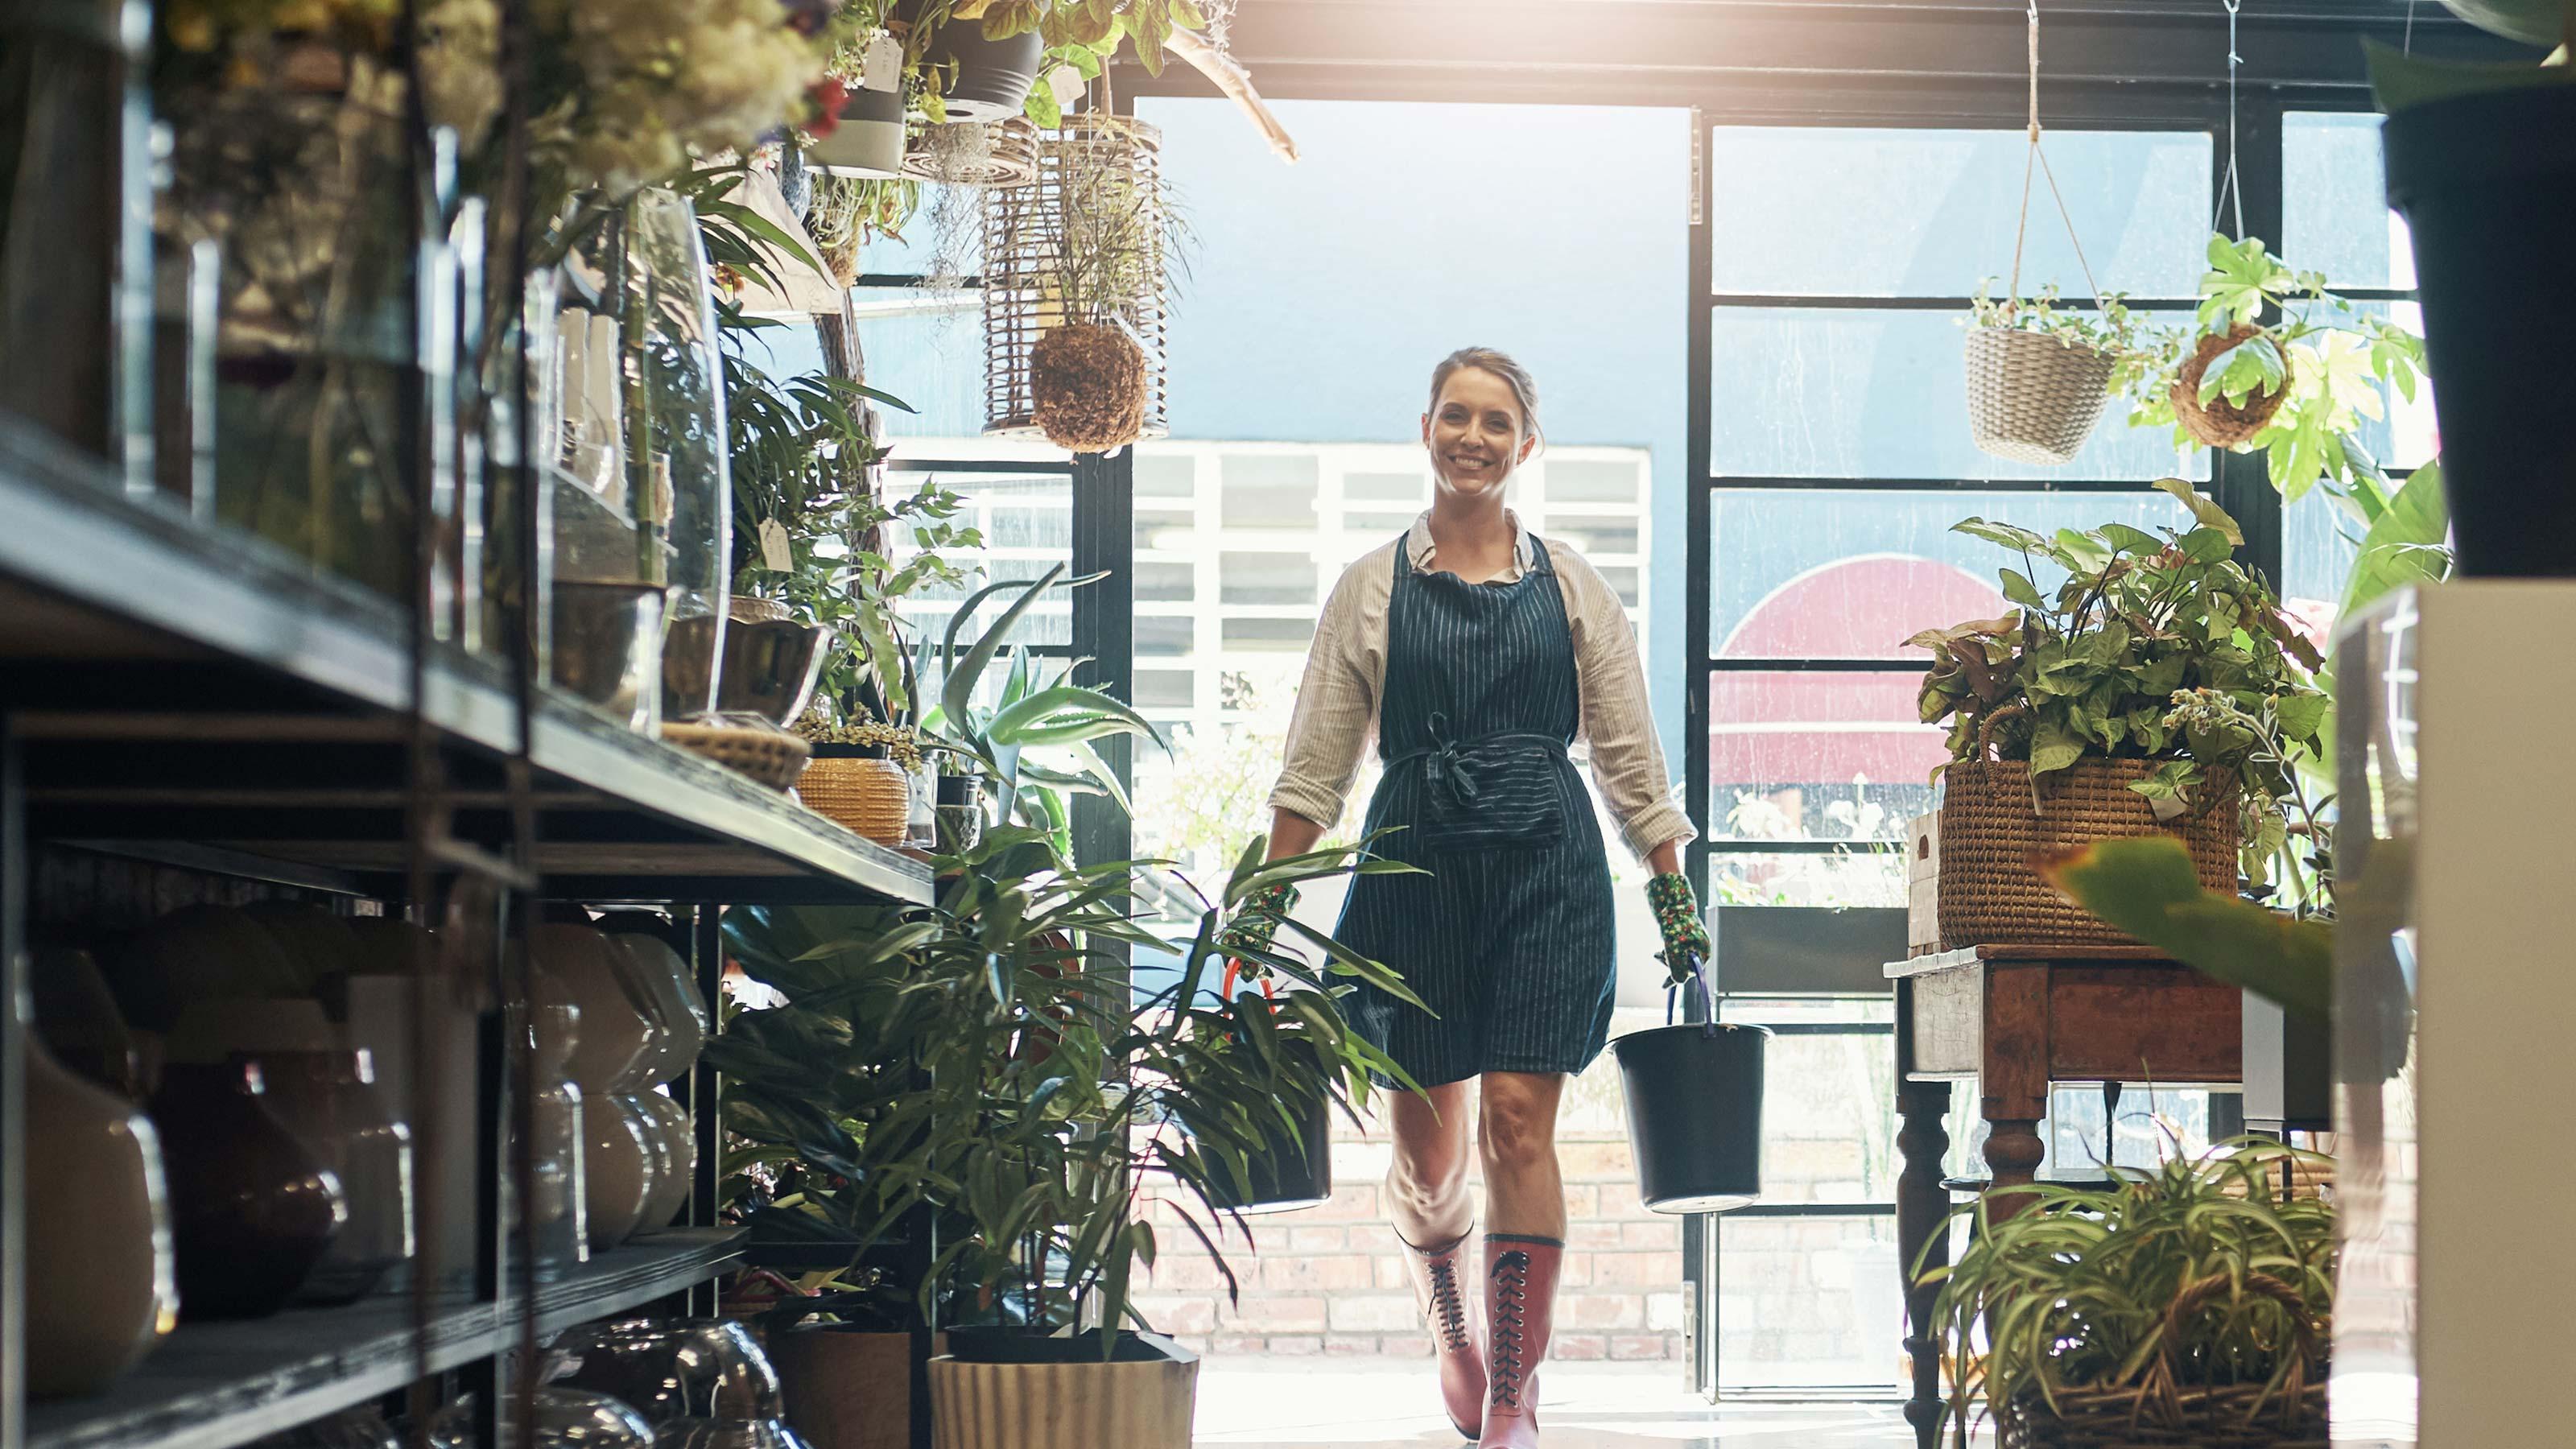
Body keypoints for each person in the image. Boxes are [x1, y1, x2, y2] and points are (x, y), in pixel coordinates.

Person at [1219, 347, 1712, 1447]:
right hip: (1413, 872)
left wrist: (1675, 902)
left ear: (1524, 446)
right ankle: (1452, 1329)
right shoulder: (1371, 587)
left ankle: (1512, 1393)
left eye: (1497, 422)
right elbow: (1315, 770)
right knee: (1425, 1157)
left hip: (1548, 866)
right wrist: (1257, 907)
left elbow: (1632, 763)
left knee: (1518, 1126)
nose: (1474, 437)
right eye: (1457, 416)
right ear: (1427, 428)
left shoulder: (1574, 585)